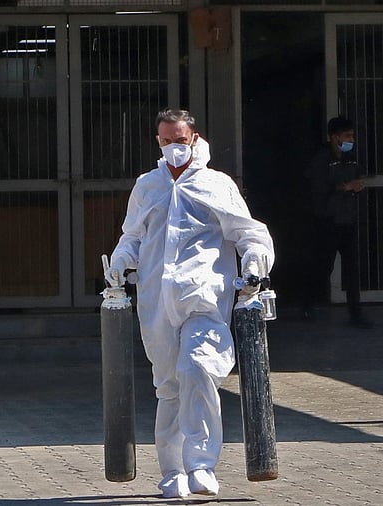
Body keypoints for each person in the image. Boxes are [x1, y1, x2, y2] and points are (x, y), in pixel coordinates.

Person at [106, 109, 274, 499]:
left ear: (194, 138)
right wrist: (118, 263)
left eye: (179, 140)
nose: (173, 148)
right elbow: (132, 235)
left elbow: (250, 233)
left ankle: (201, 463)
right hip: (156, 299)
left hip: (204, 295)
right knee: (169, 385)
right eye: (165, 141)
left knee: (197, 368)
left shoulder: (216, 185)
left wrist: (254, 266)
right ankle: (172, 471)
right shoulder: (147, 186)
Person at [302, 116, 374, 329]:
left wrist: (358, 185)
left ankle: (356, 314)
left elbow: (359, 176)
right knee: (324, 265)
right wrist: (344, 187)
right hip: (328, 220)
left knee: (352, 268)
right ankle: (308, 304)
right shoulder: (322, 158)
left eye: (352, 135)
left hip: (348, 219)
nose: (351, 139)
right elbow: (318, 187)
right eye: (347, 136)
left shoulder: (351, 158)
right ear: (335, 137)